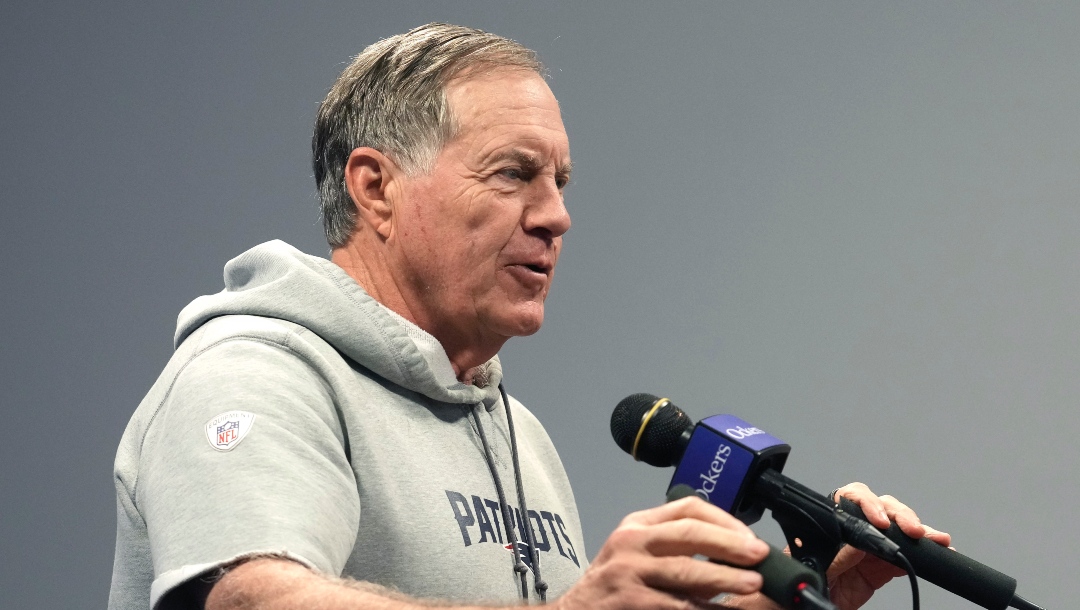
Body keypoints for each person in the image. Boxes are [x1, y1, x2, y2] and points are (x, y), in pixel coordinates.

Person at [109, 23, 949, 610]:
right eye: (514, 174)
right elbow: (253, 602)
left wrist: (790, 598)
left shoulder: (521, 435)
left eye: (561, 183)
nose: (556, 216)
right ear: (376, 188)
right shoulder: (254, 375)